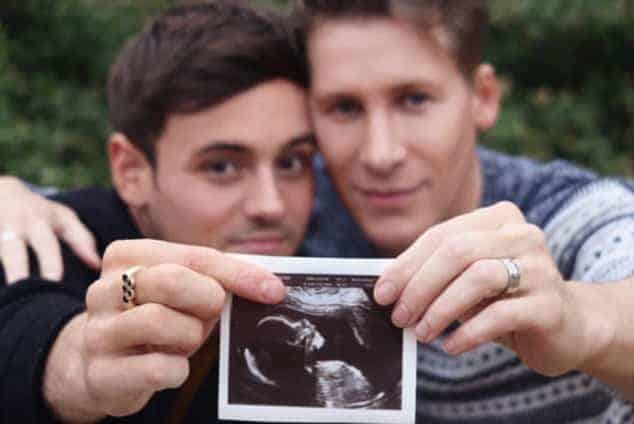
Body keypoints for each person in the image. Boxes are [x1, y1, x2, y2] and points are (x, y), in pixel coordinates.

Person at [2, 0, 634, 422]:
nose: (381, 155)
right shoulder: (303, 208)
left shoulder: (572, 217)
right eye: (344, 109)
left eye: (413, 99)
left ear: (483, 97)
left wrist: (584, 320)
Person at [1, 2, 316, 422]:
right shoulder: (41, 240)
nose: (270, 204)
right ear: (131, 171)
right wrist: (73, 364)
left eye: (292, 162)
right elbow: (21, 320)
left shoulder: (333, 245)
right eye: (221, 166)